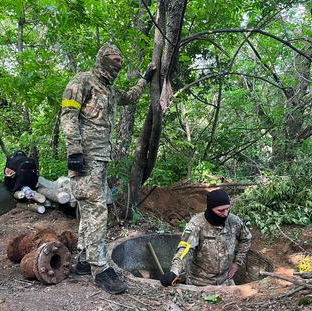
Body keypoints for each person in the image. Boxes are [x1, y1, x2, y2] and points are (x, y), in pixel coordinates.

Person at [60, 43, 156, 294]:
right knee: (97, 211)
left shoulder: (109, 90)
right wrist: (75, 152)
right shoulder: (82, 81)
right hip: (84, 159)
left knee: (89, 212)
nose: (118, 63)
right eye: (113, 58)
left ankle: (82, 260)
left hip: (101, 160)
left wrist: (146, 78)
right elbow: (68, 115)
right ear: (102, 58)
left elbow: (131, 97)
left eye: (121, 60)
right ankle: (100, 268)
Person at [160, 189, 252, 287]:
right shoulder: (196, 224)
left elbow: (246, 238)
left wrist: (237, 263)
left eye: (227, 209)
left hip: (225, 281)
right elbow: (185, 249)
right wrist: (174, 272)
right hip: (199, 283)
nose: (225, 214)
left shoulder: (234, 221)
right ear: (210, 209)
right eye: (221, 210)